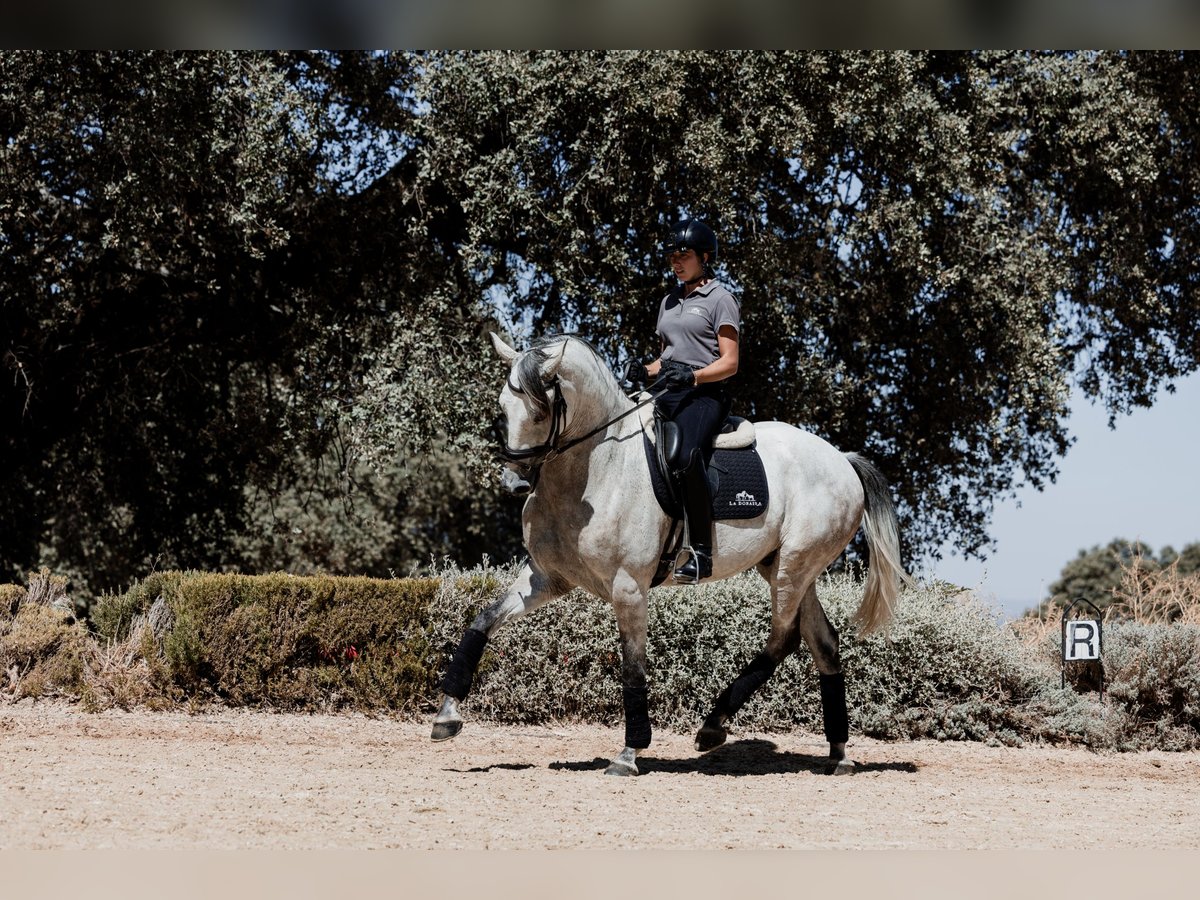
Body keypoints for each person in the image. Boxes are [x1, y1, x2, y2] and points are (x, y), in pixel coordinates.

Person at [625, 219, 741, 583]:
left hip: (705, 395)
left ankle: (701, 554)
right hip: (669, 391)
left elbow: (730, 362)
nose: (675, 262)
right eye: (672, 256)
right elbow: (667, 357)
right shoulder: (669, 301)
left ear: (705, 257)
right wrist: (645, 371)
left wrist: (691, 375)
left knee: (683, 455)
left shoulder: (722, 299)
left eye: (684, 255)